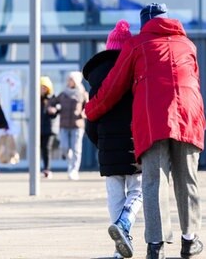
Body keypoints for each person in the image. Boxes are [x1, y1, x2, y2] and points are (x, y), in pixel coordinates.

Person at [85, 3, 206, 259]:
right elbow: (194, 81)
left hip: (153, 117)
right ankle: (190, 239)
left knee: (153, 180)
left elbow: (113, 87)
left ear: (144, 24)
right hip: (189, 114)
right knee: (187, 178)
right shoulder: (188, 45)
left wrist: (91, 110)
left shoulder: (137, 44)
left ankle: (155, 245)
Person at [83, 20, 143, 259]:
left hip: (107, 146)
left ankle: (119, 248)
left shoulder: (96, 80)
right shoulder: (135, 74)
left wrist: (101, 144)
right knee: (138, 189)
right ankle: (125, 222)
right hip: (134, 142)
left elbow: (91, 119)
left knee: (114, 194)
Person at [49, 71, 88, 181]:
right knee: (64, 147)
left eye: (71, 79)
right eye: (68, 79)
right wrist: (53, 109)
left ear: (76, 81)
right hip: (64, 125)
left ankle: (74, 170)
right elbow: (52, 102)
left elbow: (88, 105)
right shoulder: (63, 93)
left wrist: (85, 112)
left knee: (76, 149)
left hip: (77, 125)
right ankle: (69, 163)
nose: (68, 81)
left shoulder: (82, 94)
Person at [40, 76, 58, 179]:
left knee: (46, 148)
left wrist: (54, 111)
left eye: (44, 87)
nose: (43, 89)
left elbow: (58, 110)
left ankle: (47, 168)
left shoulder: (52, 98)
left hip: (49, 128)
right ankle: (39, 168)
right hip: (38, 128)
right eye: (41, 87)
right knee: (39, 148)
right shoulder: (35, 98)